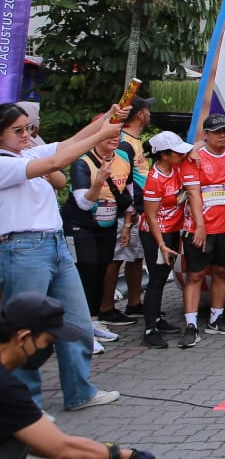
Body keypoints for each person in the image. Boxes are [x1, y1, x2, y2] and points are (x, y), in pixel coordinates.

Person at [0, 293, 177, 459]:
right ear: (23, 337)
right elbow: (60, 448)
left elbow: (44, 442)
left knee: (23, 431)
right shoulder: (6, 388)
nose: (50, 353)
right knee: (21, 435)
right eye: (48, 342)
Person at [0, 103, 126, 411]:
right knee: (25, 331)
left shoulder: (24, 154)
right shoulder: (4, 164)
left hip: (53, 244)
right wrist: (104, 132)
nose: (27, 136)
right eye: (18, 131)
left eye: (28, 129)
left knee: (77, 321)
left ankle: (80, 391)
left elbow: (68, 144)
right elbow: (60, 159)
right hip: (22, 249)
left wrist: (104, 123)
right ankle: (27, 408)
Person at [181, 113, 225, 338]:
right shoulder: (194, 158)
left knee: (221, 272)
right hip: (198, 229)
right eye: (217, 132)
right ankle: (191, 323)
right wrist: (200, 227)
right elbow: (191, 194)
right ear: (205, 135)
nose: (223, 136)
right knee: (195, 274)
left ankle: (216, 318)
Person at [61, 131, 132, 328]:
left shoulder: (124, 156)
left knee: (102, 269)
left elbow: (129, 192)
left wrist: (127, 224)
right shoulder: (82, 162)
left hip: (107, 224)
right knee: (87, 270)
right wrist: (99, 180)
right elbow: (83, 203)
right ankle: (80, 324)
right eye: (108, 135)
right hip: (80, 224)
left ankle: (94, 320)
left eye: (117, 134)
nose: (114, 138)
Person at [139, 131, 203, 351]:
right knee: (156, 280)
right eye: (177, 152)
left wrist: (193, 152)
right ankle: (150, 329)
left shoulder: (176, 167)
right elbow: (150, 217)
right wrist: (161, 245)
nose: (182, 155)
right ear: (164, 155)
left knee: (163, 274)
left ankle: (157, 319)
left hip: (174, 230)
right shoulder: (153, 180)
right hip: (155, 234)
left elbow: (199, 143)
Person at [104, 96, 155, 327]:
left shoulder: (135, 140)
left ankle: (135, 303)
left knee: (136, 256)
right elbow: (119, 180)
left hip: (141, 208)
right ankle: (105, 308)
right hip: (127, 211)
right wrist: (128, 212)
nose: (150, 113)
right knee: (116, 257)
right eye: (147, 109)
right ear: (139, 114)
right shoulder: (122, 141)